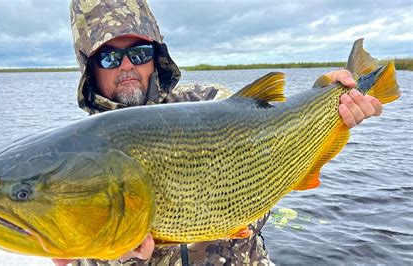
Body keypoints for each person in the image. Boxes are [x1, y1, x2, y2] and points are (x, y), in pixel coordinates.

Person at [54, 0, 382, 265]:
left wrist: (330, 99)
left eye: (139, 53)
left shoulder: (209, 101)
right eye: (110, 57)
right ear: (90, 67)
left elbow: (273, 127)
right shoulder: (74, 157)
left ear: (156, 58)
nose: (127, 66)